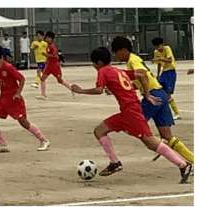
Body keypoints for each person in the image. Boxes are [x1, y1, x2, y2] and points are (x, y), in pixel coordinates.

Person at [70, 47, 192, 183]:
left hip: (131, 113)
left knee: (150, 142)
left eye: (93, 63)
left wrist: (81, 91)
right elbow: (142, 74)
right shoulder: (118, 70)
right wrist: (146, 94)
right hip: (128, 111)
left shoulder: (103, 71)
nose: (93, 66)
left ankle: (183, 164)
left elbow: (99, 90)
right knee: (99, 130)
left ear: (98, 62)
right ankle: (115, 163)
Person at [111, 37, 193, 167]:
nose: (116, 56)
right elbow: (140, 81)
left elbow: (143, 74)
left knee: (132, 125)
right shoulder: (135, 59)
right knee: (167, 136)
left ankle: (159, 145)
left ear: (124, 50)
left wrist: (147, 95)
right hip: (160, 94)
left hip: (153, 95)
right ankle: (192, 160)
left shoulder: (132, 60)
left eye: (116, 52)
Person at [0, 44, 50, 153]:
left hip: (14, 100)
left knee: (23, 122)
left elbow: (22, 79)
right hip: (3, 99)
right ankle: (3, 145)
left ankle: (44, 140)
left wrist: (18, 93)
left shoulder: (7, 67)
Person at [37, 31, 71, 100]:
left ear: (50, 38)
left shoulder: (52, 46)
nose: (46, 39)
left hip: (55, 66)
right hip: (49, 66)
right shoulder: (48, 45)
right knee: (42, 79)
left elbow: (55, 56)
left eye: (47, 38)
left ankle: (72, 89)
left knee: (60, 80)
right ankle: (43, 95)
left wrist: (46, 55)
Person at [152, 37, 180, 120]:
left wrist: (159, 58)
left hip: (171, 72)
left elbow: (169, 60)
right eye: (156, 46)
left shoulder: (167, 48)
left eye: (159, 46)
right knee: (159, 91)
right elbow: (159, 64)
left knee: (168, 94)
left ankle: (177, 113)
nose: (158, 48)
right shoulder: (156, 52)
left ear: (162, 44)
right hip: (164, 73)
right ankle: (161, 111)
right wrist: (158, 74)